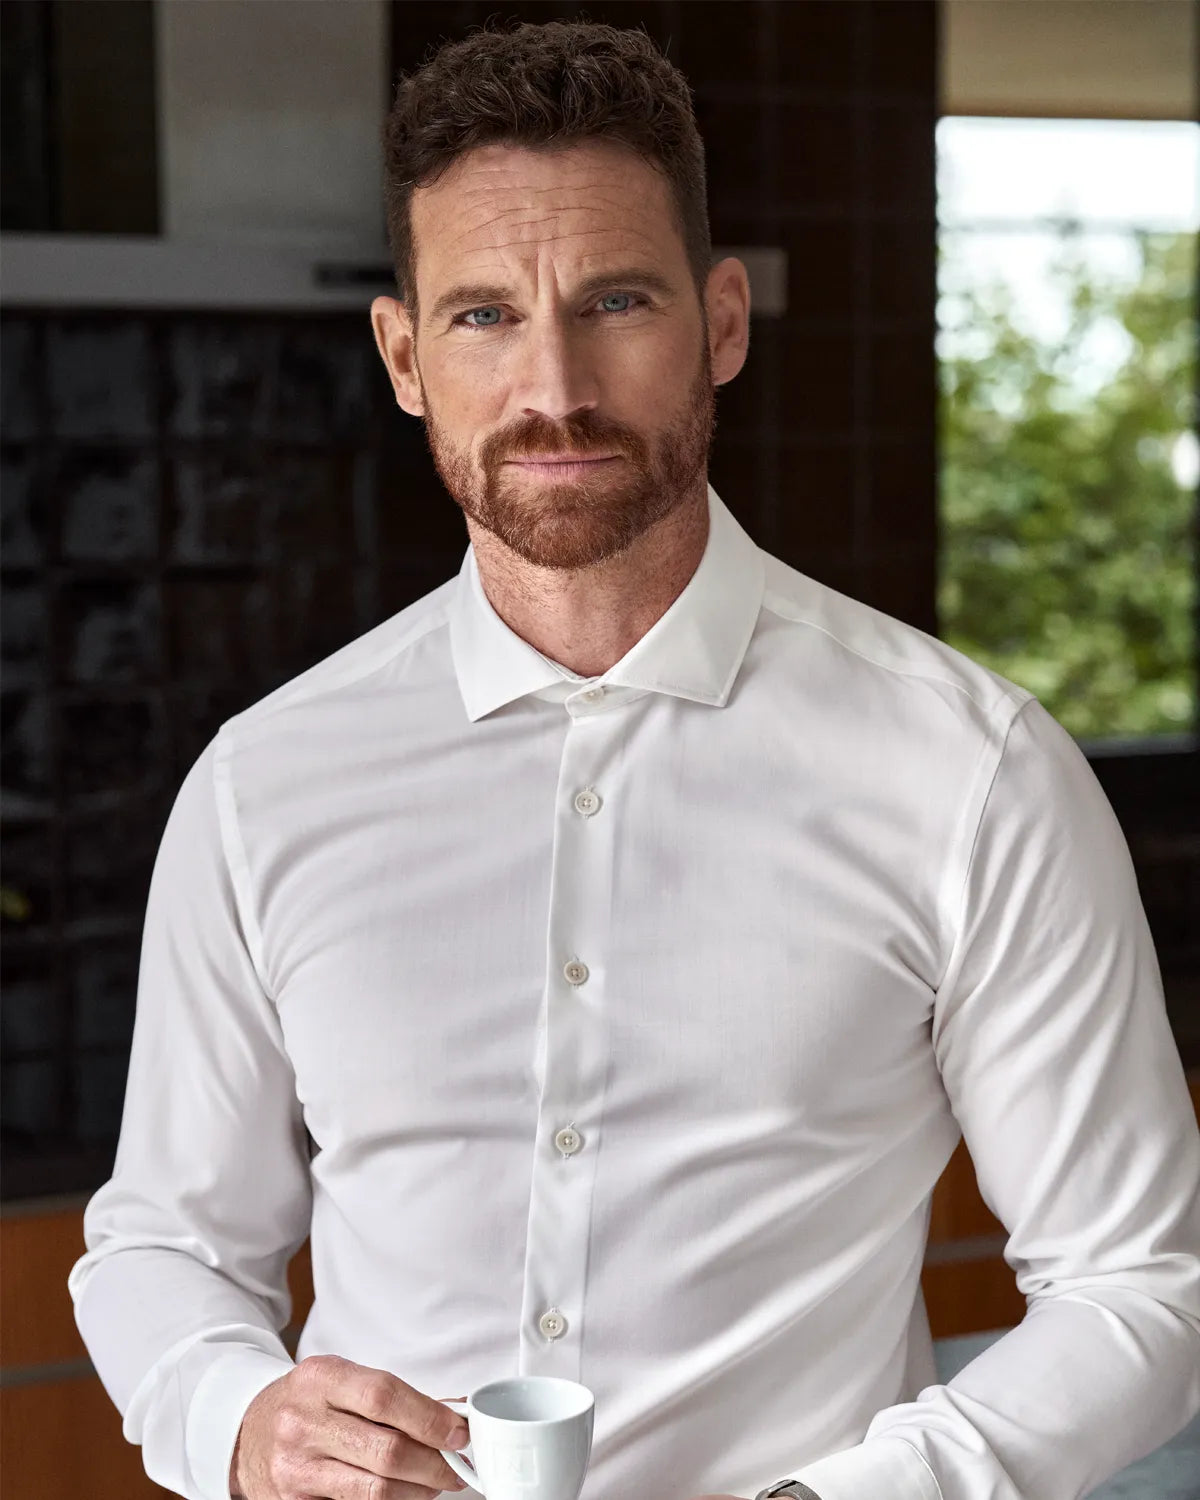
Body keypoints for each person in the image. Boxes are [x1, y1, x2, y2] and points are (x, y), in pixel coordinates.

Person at [69, 18, 1200, 1500]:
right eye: (482, 315)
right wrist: (238, 1420)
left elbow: (1144, 1284)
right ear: (405, 357)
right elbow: (163, 1241)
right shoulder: (261, 783)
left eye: (615, 299)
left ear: (721, 323)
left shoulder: (972, 772)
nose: (554, 384)